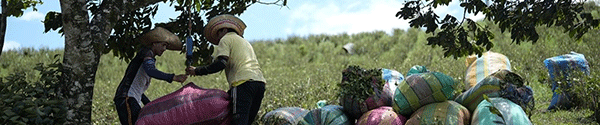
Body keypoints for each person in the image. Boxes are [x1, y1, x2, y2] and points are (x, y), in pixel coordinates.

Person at [186, 14, 266, 125]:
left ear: (224, 30)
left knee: (239, 121)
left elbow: (221, 64)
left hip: (242, 83)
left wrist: (197, 71)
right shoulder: (244, 42)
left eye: (218, 34)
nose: (218, 39)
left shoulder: (225, 39)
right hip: (260, 83)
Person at [113, 27, 188, 125]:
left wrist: (151, 106)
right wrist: (174, 77)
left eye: (166, 46)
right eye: (163, 45)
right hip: (127, 98)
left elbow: (139, 90)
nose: (164, 49)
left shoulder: (146, 57)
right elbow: (151, 71)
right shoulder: (147, 53)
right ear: (154, 43)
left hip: (132, 98)